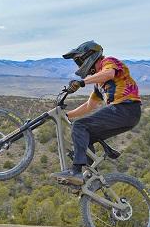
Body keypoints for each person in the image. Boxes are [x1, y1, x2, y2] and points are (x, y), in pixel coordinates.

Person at [51, 41, 142, 185]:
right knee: (84, 136)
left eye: (79, 61)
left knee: (80, 126)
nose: (79, 65)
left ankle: (76, 172)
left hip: (126, 108)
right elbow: (89, 106)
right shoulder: (99, 84)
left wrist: (82, 82)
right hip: (126, 116)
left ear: (90, 56)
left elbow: (109, 73)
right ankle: (89, 175)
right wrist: (66, 115)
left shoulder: (109, 62)